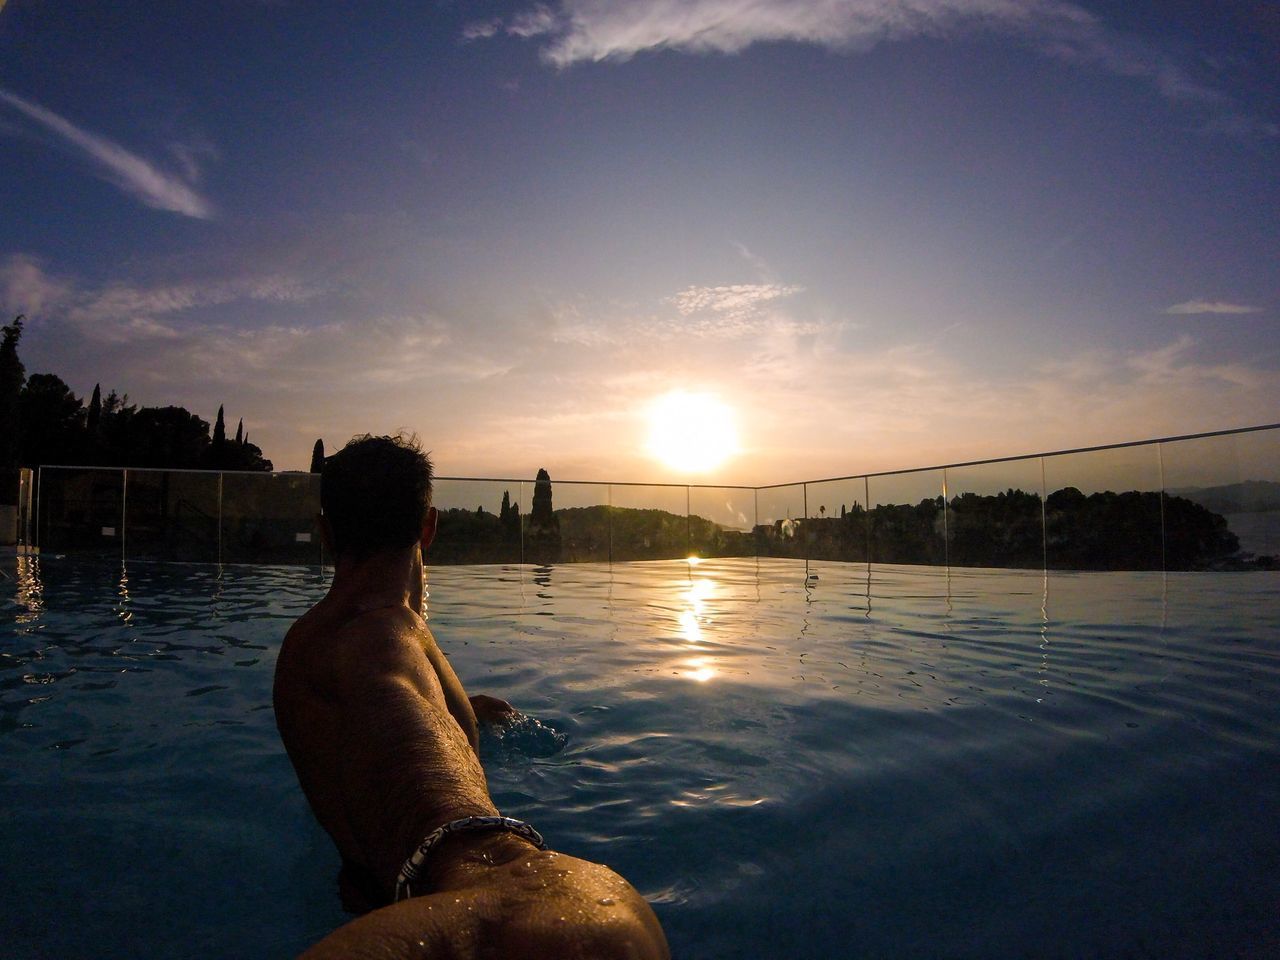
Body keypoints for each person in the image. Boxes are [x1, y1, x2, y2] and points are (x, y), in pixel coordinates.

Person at [273, 434, 669, 960]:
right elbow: (383, 683)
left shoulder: (334, 642)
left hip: (436, 905)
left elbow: (386, 702)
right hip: (560, 898)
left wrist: (459, 709)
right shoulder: (376, 633)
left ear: (325, 533)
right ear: (429, 527)